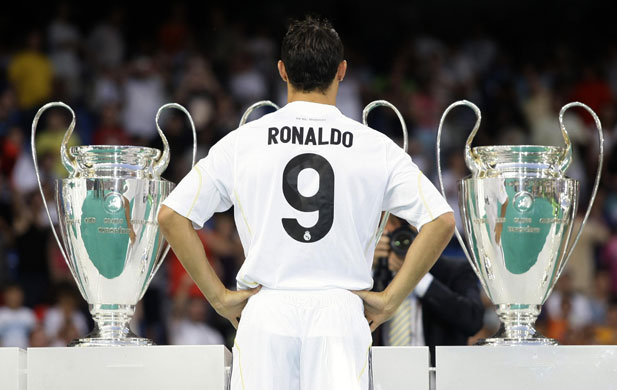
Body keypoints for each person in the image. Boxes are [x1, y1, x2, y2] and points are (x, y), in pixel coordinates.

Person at [158, 16, 454, 390]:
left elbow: (171, 215)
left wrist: (218, 297)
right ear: (342, 71)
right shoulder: (374, 146)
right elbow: (441, 221)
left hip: (265, 311)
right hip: (341, 314)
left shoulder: (244, 142)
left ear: (282, 71)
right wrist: (391, 299)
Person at [375, 216, 484, 367]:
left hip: (438, 378)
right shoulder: (371, 275)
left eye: (400, 226)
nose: (390, 232)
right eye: (382, 227)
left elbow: (473, 320)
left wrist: (414, 275)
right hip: (381, 375)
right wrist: (368, 267)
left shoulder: (456, 270)